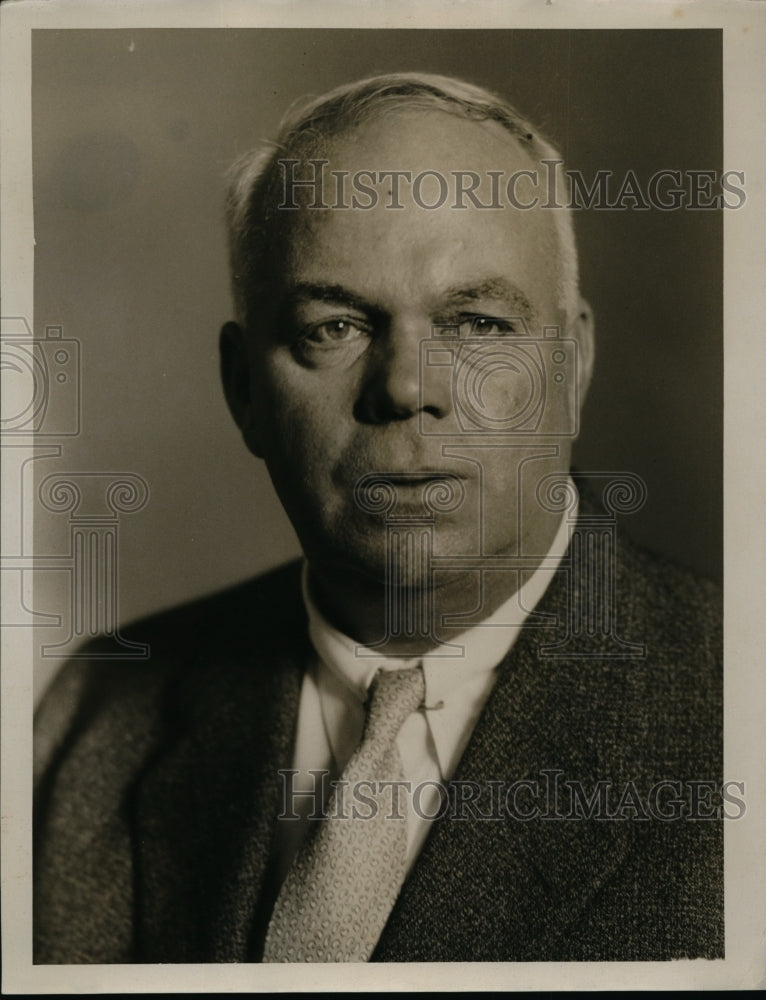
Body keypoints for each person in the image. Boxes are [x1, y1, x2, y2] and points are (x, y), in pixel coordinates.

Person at [33, 73, 723, 964]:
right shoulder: (94, 719)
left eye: (477, 324)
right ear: (243, 389)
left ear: (574, 365)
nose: (404, 387)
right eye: (334, 328)